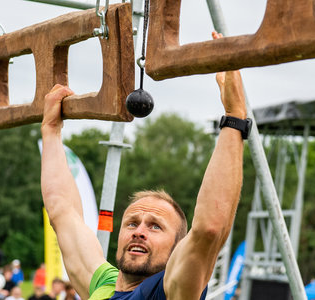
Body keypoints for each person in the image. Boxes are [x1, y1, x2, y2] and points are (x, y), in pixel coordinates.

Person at [39, 32, 246, 300]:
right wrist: (51, 130)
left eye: (155, 226)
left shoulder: (169, 291)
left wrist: (234, 117)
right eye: (132, 223)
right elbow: (61, 211)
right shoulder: (102, 283)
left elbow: (209, 229)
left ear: (178, 249)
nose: (139, 231)